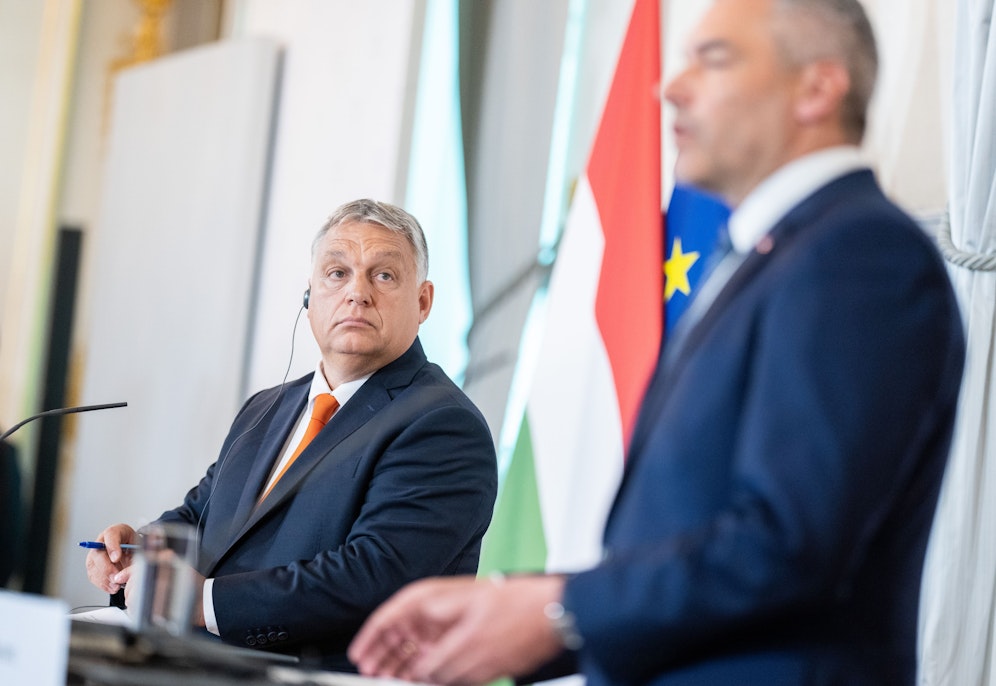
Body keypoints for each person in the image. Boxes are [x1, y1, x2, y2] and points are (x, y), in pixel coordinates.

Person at [347, 1, 966, 684]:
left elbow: (789, 543)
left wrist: (557, 611)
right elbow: (690, 535)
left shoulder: (860, 254)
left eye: (716, 58)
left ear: (817, 88)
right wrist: (510, 607)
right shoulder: (766, 259)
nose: (671, 86)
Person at [85, 198, 498, 670]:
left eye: (383, 275)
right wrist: (138, 550)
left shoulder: (442, 424)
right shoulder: (267, 407)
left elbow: (373, 576)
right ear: (309, 296)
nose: (357, 293)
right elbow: (202, 518)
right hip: (203, 669)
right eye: (337, 273)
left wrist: (204, 601)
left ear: (423, 302)